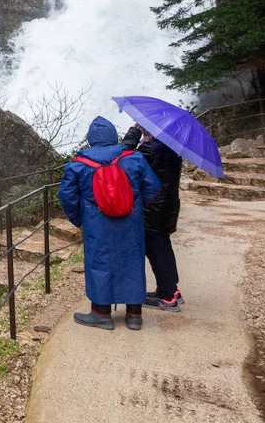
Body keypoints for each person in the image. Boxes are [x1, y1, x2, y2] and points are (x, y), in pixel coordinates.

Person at [58, 117, 161, 331]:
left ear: (90, 140)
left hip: (96, 222)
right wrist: (135, 204)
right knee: (132, 261)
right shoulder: (134, 157)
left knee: (99, 262)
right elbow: (152, 187)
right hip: (130, 221)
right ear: (114, 136)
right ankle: (134, 315)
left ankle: (101, 314)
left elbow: (67, 196)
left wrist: (79, 218)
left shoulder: (77, 164)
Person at [123, 124, 185, 312]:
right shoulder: (171, 145)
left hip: (153, 208)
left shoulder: (152, 148)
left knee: (156, 250)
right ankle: (170, 290)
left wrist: (134, 133)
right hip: (166, 205)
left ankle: (167, 297)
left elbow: (123, 158)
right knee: (162, 247)